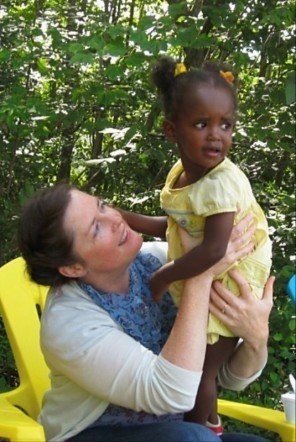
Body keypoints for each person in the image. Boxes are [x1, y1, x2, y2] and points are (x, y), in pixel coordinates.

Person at [18, 183, 273, 442]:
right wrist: (200, 273)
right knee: (192, 438)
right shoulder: (70, 322)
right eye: (96, 228)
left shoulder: (158, 261)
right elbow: (172, 393)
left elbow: (228, 377)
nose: (115, 219)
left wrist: (256, 338)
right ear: (73, 267)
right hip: (93, 433)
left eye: (102, 206)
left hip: (175, 430)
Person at [119, 56, 272, 434]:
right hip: (212, 274)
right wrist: (119, 216)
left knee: (202, 373)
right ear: (172, 131)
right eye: (202, 124)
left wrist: (161, 278)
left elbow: (213, 250)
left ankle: (200, 432)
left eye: (226, 124)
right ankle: (208, 426)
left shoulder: (221, 183)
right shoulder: (185, 176)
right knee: (200, 369)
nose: (216, 135)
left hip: (233, 285)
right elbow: (174, 225)